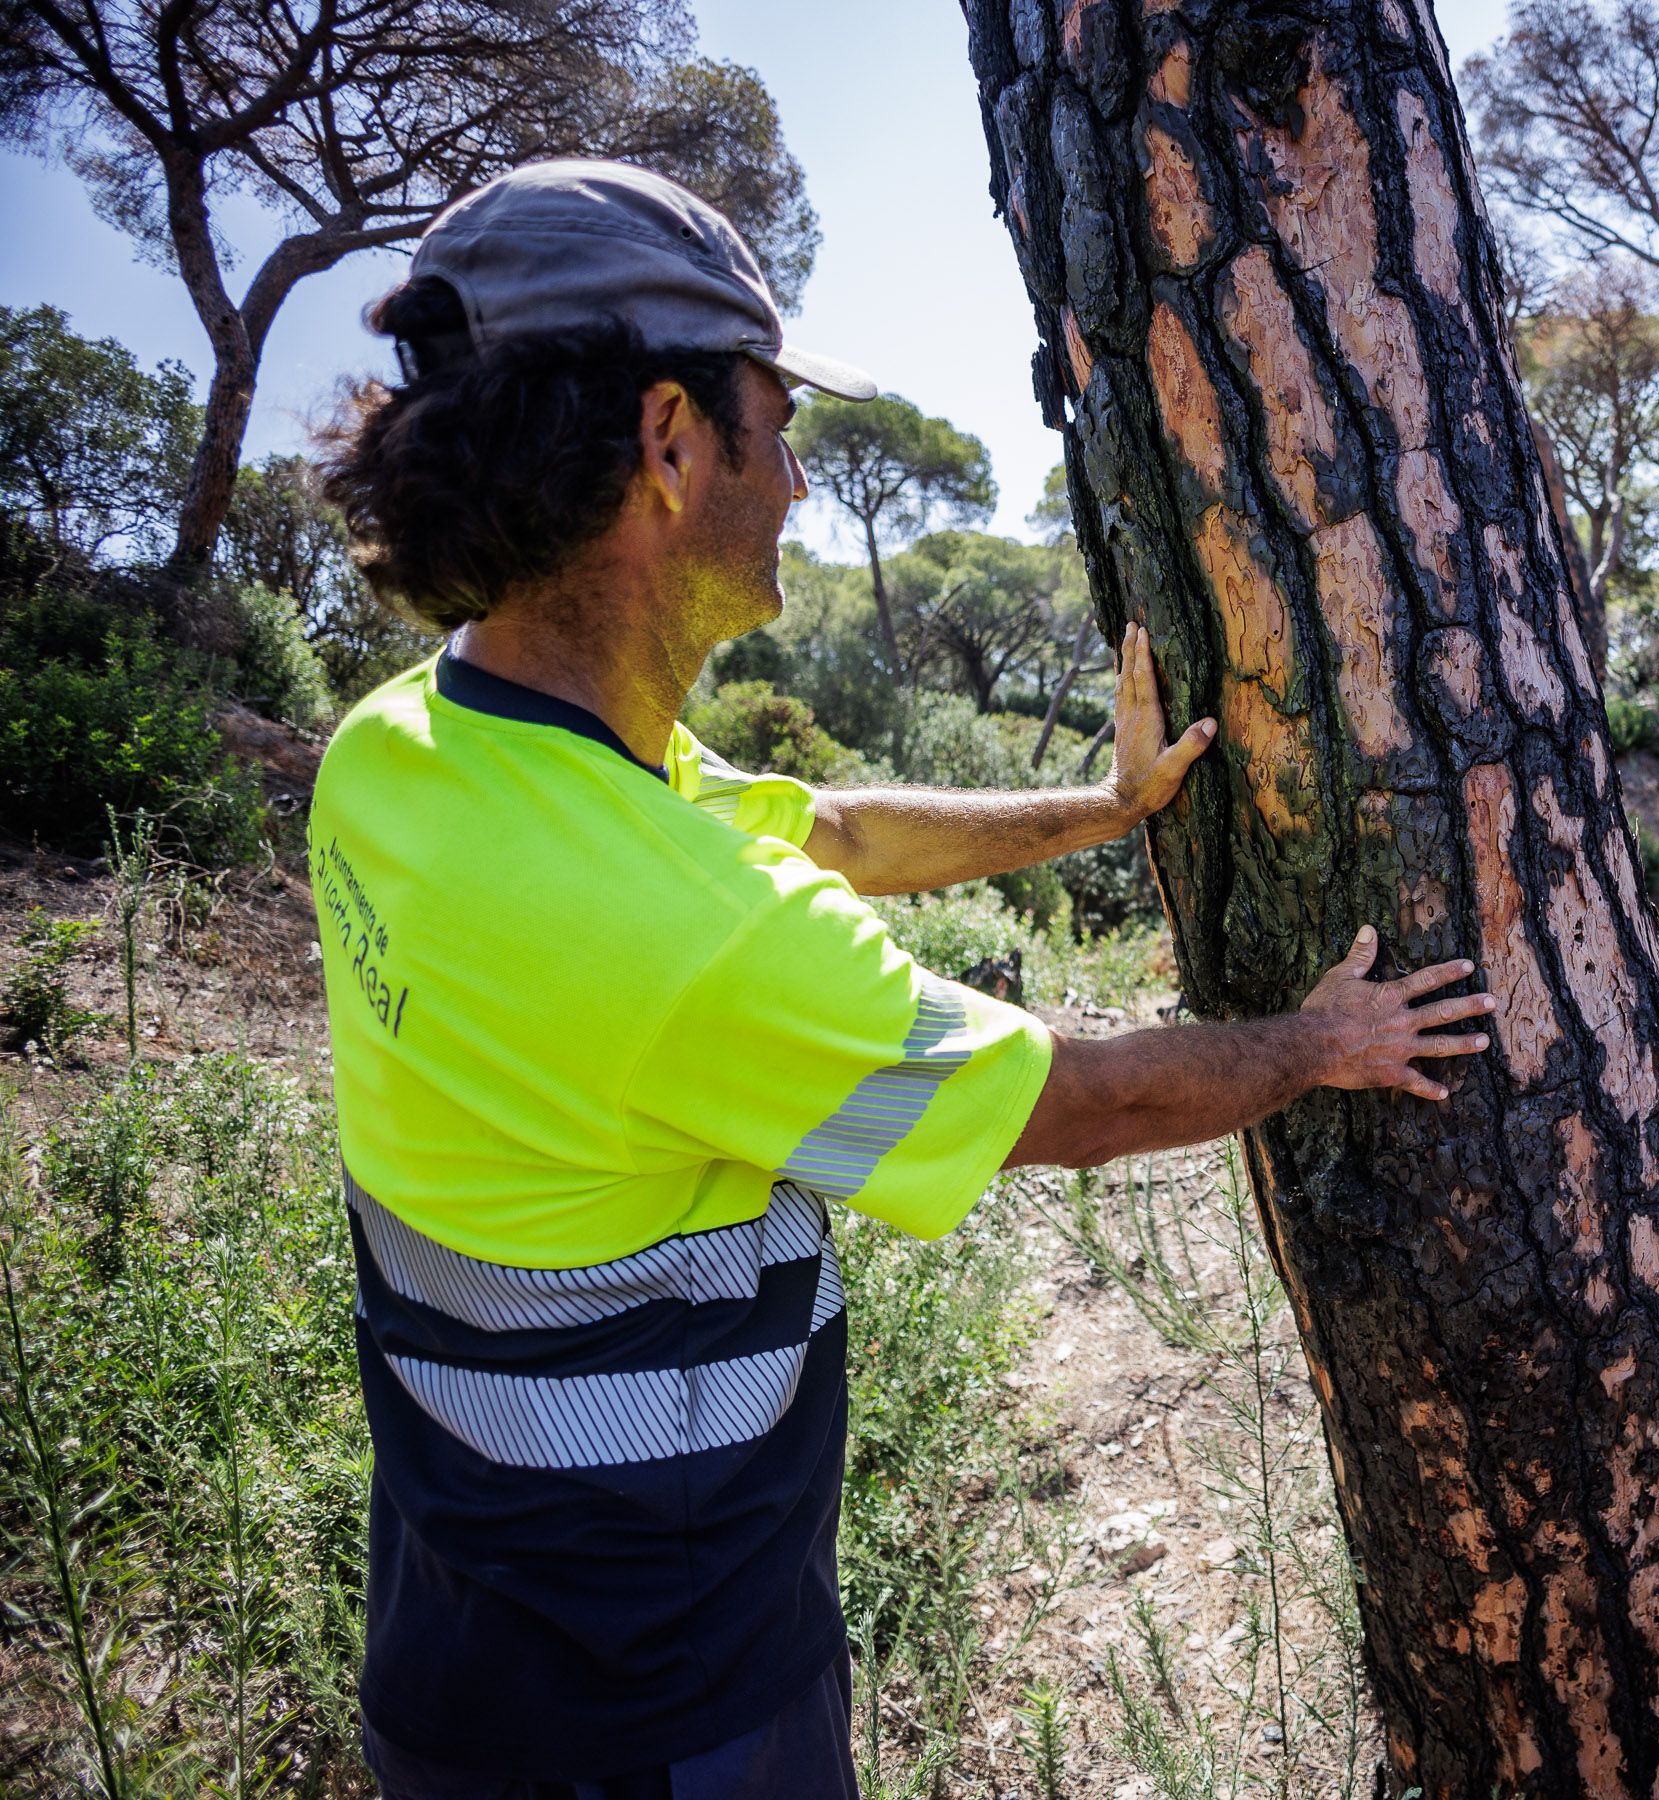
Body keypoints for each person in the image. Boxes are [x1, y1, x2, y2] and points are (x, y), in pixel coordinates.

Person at [309, 160, 1495, 1799]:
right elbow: (1075, 1108)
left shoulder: (405, 748)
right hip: (661, 1713)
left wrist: (1100, 806)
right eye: (778, 426)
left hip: (449, 1656)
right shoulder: (692, 936)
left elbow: (836, 830)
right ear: (670, 443)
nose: (798, 480)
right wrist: (1327, 1038)